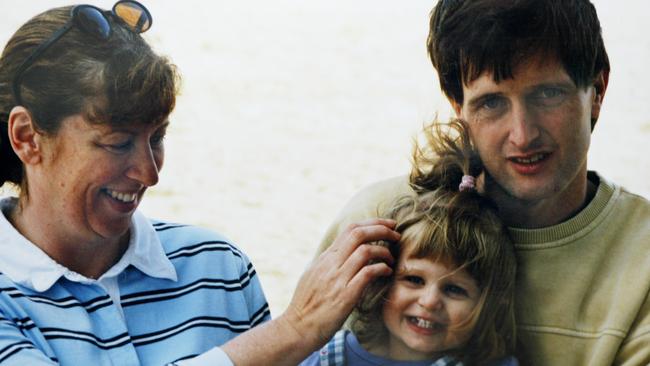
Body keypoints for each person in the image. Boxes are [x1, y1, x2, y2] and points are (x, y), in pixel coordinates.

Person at [0, 2, 400, 365]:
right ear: (27, 137)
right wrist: (293, 330)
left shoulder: (219, 266)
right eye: (118, 143)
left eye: (156, 138)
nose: (149, 173)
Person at [317, 0, 650, 364]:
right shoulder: (379, 222)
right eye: (491, 103)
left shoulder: (642, 262)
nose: (522, 135)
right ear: (458, 107)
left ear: (598, 90)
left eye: (547, 94)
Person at [302, 120, 518, 366]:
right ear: (382, 281)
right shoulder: (329, 358)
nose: (429, 301)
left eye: (455, 290)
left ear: (487, 303)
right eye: (414, 280)